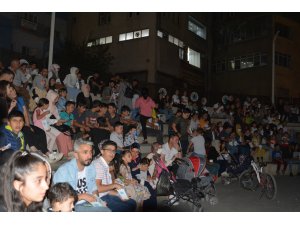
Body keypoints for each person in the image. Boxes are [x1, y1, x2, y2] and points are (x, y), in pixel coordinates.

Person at [53, 139, 110, 212]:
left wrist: (98, 201)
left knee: (107, 210)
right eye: (85, 152)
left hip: (88, 203)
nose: (90, 156)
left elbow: (94, 189)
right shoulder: (63, 171)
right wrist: (82, 196)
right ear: (76, 155)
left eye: (90, 152)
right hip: (72, 205)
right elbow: (60, 198)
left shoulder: (91, 167)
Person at [93, 140, 137, 211]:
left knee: (132, 203)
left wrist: (119, 194)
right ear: (102, 151)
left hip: (106, 194)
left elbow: (107, 190)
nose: (112, 153)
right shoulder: (98, 164)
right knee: (128, 207)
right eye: (109, 150)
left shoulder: (105, 164)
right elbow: (98, 189)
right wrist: (115, 185)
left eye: (113, 151)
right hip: (101, 198)